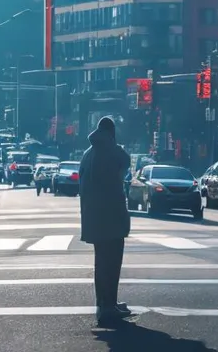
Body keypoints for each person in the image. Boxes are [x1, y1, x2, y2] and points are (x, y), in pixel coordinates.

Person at [79, 116, 132, 326]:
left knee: (101, 264)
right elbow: (126, 160)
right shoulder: (110, 150)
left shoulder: (88, 154)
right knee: (112, 263)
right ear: (111, 133)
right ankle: (108, 307)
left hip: (94, 218)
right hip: (111, 217)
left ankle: (104, 304)